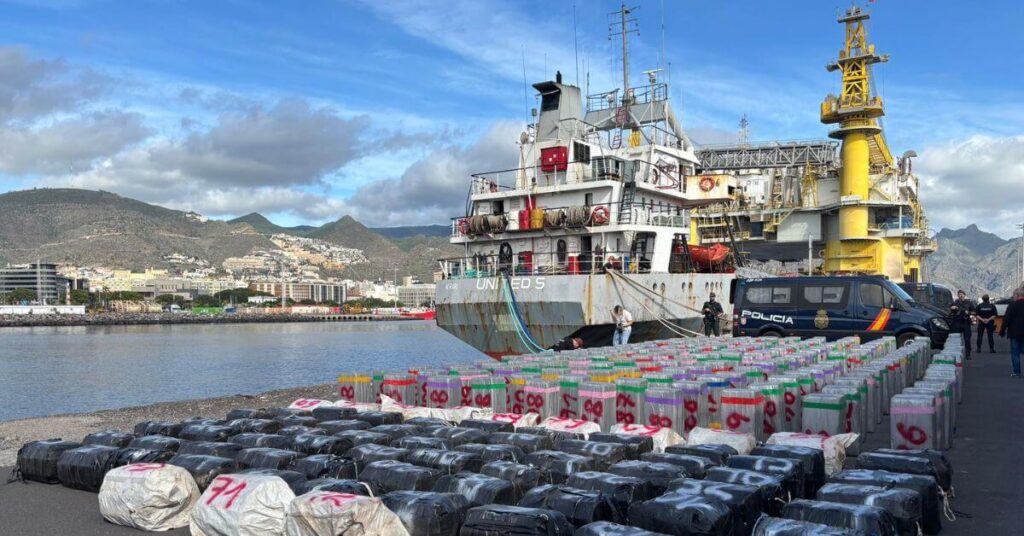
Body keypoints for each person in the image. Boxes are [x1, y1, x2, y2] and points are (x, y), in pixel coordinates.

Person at [999, 287, 1024, 377]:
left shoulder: (1012, 305)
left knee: (1015, 353)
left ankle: (1017, 372)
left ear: (1017, 295)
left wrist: (1002, 331)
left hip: (1014, 332)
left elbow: (1006, 319)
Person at [951, 290, 975, 360]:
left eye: (962, 294)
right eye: (959, 294)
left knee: (967, 340)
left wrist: (969, 312)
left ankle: (968, 355)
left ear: (964, 295)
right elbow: (950, 310)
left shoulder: (969, 302)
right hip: (957, 322)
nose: (961, 295)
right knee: (956, 340)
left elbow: (974, 311)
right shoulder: (955, 302)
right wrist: (952, 308)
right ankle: (956, 355)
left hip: (966, 323)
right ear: (958, 295)